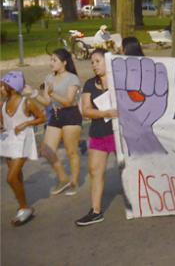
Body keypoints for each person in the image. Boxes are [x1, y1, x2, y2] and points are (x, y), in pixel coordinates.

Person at [28, 49, 83, 196]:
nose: (51, 63)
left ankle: (74, 183)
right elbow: (46, 102)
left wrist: (52, 94)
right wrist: (33, 94)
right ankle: (63, 179)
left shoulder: (72, 78)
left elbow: (69, 101)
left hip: (71, 114)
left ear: (64, 62)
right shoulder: (49, 78)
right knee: (46, 150)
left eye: (54, 60)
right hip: (56, 115)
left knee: (71, 151)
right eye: (50, 60)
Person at [75, 49, 118, 226]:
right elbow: (86, 110)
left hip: (118, 134)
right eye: (92, 62)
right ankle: (95, 211)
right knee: (95, 171)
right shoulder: (89, 84)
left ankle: (143, 202)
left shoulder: (119, 81)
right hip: (99, 134)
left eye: (97, 61)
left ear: (107, 61)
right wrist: (105, 112)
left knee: (130, 169)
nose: (94, 65)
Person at [1, 71, 46, 226]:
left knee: (11, 177)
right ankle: (23, 206)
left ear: (12, 88)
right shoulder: (3, 104)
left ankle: (24, 207)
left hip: (23, 141)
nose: (0, 89)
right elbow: (3, 124)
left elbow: (42, 118)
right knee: (17, 176)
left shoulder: (26, 103)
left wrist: (26, 123)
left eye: (3, 86)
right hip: (9, 142)